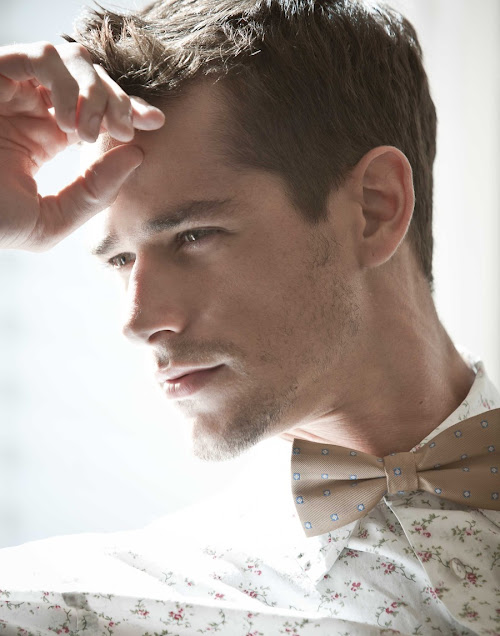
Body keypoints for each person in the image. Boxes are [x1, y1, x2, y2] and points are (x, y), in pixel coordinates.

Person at [0, 0, 498, 634]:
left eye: (192, 236)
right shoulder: (88, 606)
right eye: (121, 260)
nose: (137, 320)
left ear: (375, 207)